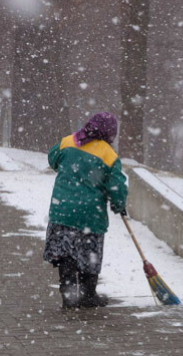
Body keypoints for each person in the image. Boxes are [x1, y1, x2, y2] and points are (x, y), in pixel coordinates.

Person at [44, 112, 128, 309]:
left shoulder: (68, 142)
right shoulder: (108, 155)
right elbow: (117, 188)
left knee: (66, 255)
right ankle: (88, 295)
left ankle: (69, 295)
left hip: (62, 212)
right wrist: (119, 205)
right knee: (88, 254)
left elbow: (52, 158)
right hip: (90, 217)